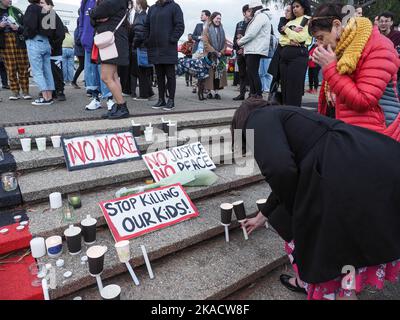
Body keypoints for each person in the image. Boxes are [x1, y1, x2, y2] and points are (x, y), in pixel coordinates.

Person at [232, 102, 400, 300]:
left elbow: (280, 169)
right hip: (371, 161)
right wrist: (264, 214)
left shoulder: (257, 119)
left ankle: (332, 290)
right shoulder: (288, 116)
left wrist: (299, 212)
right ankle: (308, 282)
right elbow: (290, 173)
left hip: (341, 174)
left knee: (329, 250)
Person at [309, 3, 400, 141]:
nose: (319, 44)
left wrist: (330, 68)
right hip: (352, 130)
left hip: (377, 136)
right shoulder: (343, 46)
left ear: (337, 25)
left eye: (321, 38)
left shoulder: (380, 47)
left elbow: (363, 100)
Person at [90, 0, 130, 119]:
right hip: (114, 43)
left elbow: (95, 13)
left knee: (106, 77)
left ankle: (122, 106)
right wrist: (96, 17)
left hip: (112, 43)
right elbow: (94, 18)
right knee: (113, 77)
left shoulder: (114, 1)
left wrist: (94, 15)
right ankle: (119, 105)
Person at [145, 0, 184, 111]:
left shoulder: (174, 7)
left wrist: (172, 39)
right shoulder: (152, 8)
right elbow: (147, 26)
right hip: (154, 47)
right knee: (159, 75)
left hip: (168, 47)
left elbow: (180, 25)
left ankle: (171, 100)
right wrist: (147, 39)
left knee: (170, 75)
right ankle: (161, 99)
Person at [78, 0, 114, 112]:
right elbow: (82, 20)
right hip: (88, 41)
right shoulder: (85, 2)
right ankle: (95, 98)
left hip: (103, 40)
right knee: (90, 72)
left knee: (104, 71)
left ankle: (109, 99)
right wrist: (81, 36)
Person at [279, 0, 312, 107]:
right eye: (293, 7)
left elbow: (300, 38)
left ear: (304, 7)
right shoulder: (290, 21)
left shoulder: (306, 19)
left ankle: (294, 112)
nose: (294, 9)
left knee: (294, 88)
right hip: (285, 55)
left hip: (298, 55)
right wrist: (290, 39)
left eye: (297, 6)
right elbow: (281, 40)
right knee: (285, 87)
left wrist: (287, 31)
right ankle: (286, 111)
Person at [237, 1, 272, 99]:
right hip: (254, 48)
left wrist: (240, 42)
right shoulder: (260, 16)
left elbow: (252, 33)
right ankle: (253, 94)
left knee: (253, 73)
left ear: (255, 8)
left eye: (251, 9)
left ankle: (258, 95)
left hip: (255, 49)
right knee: (252, 73)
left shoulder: (260, 17)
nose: (250, 11)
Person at [23, 0, 55, 105]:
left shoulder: (32, 8)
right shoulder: (49, 10)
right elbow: (52, 28)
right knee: (47, 71)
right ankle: (49, 96)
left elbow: (30, 26)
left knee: (37, 71)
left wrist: (26, 35)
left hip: (35, 41)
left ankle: (45, 97)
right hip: (46, 42)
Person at [0, 0, 31, 101]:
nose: (10, 0)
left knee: (23, 66)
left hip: (19, 40)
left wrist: (18, 28)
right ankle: (15, 92)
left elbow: (26, 27)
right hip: (5, 41)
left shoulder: (16, 10)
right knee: (10, 67)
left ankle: (25, 91)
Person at [41, 0, 66, 102]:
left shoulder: (52, 15)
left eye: (43, 3)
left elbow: (61, 34)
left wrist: (52, 45)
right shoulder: (43, 16)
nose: (40, 5)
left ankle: (60, 90)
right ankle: (51, 90)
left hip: (54, 51)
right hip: (45, 50)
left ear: (50, 5)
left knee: (56, 71)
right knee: (46, 71)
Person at [267, 4, 293, 104]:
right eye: (285, 10)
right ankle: (271, 97)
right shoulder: (283, 19)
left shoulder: (297, 21)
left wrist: (288, 29)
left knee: (287, 77)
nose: (285, 13)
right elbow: (281, 30)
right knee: (276, 76)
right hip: (280, 51)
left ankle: (286, 98)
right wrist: (292, 30)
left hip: (291, 52)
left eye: (288, 11)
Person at [132, 0, 154, 101]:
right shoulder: (147, 15)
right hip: (147, 46)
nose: (134, 6)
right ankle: (149, 92)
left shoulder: (140, 17)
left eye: (136, 4)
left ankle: (144, 95)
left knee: (142, 71)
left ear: (139, 5)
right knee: (146, 71)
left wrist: (134, 45)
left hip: (141, 46)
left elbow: (139, 33)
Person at [203, 12, 227, 100]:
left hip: (220, 56)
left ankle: (216, 92)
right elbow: (205, 43)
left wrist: (221, 51)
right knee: (209, 75)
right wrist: (214, 51)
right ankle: (209, 92)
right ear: (212, 18)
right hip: (210, 56)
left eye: (220, 18)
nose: (218, 20)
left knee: (218, 74)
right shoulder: (207, 28)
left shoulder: (222, 28)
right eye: (217, 18)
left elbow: (225, 42)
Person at [232, 5, 251, 101]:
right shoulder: (239, 24)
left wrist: (245, 49)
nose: (250, 13)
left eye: (251, 11)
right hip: (239, 53)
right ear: (244, 13)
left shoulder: (253, 24)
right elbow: (235, 38)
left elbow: (252, 38)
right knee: (242, 74)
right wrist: (237, 48)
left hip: (250, 52)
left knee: (251, 73)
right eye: (248, 11)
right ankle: (241, 94)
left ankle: (252, 95)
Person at [191, 9, 210, 94]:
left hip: (205, 52)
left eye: (202, 15)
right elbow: (193, 36)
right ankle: (194, 86)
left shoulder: (211, 26)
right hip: (197, 51)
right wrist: (200, 37)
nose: (200, 16)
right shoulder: (198, 25)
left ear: (207, 16)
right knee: (194, 68)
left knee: (204, 70)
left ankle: (204, 87)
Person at [72, 15, 85, 89]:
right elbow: (77, 41)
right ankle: (73, 81)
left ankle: (74, 81)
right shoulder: (78, 30)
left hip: (81, 51)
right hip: (80, 51)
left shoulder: (79, 29)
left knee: (83, 66)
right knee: (82, 66)